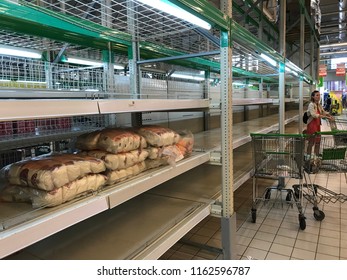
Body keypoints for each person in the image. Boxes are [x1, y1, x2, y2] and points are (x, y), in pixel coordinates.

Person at [306, 90, 333, 158]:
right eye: (317, 95)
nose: (318, 97)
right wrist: (325, 117)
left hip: (317, 125)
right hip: (312, 125)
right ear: (313, 96)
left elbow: (323, 112)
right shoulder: (311, 104)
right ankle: (308, 156)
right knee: (311, 142)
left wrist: (329, 115)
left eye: (319, 95)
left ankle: (316, 156)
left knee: (318, 141)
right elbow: (314, 115)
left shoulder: (318, 104)